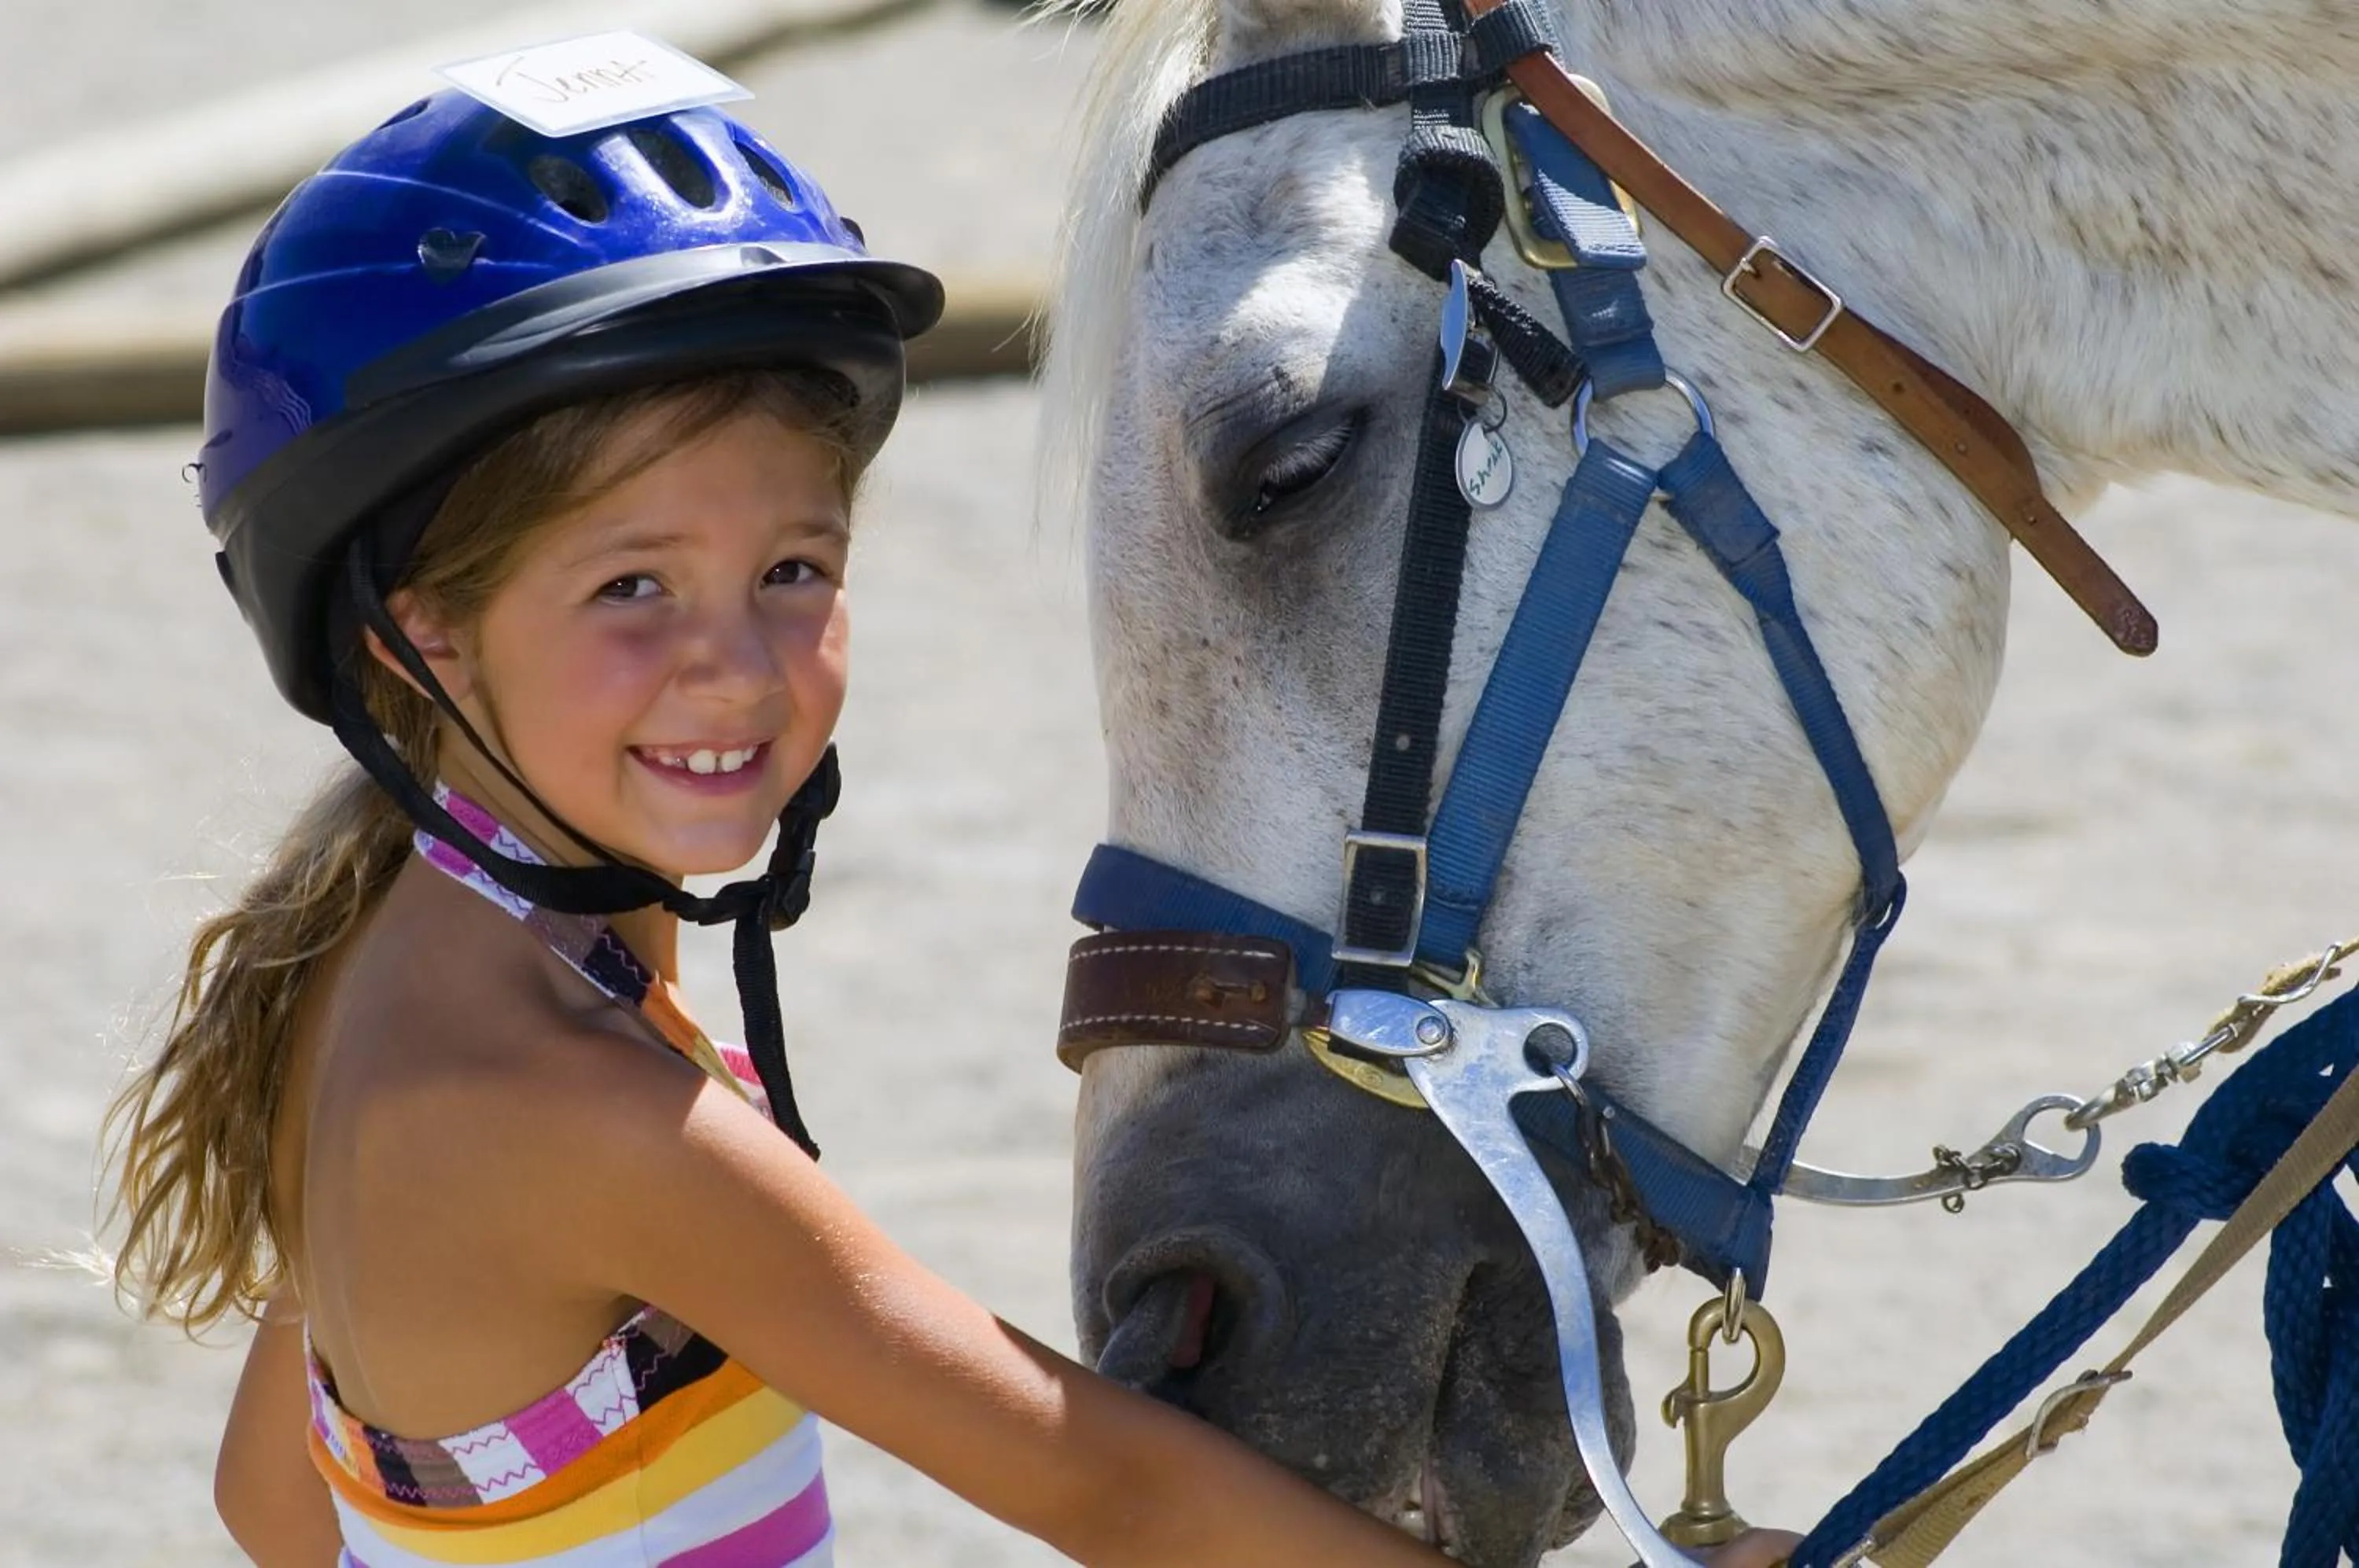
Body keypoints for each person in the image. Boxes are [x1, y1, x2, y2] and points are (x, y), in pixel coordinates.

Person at [101, 74, 1797, 1568]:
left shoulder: (414, 956)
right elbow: (1105, 1495)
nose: (735, 668)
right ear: (420, 629)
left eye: (792, 571)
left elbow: (280, 1497)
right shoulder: (565, 1105)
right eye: (633, 586)